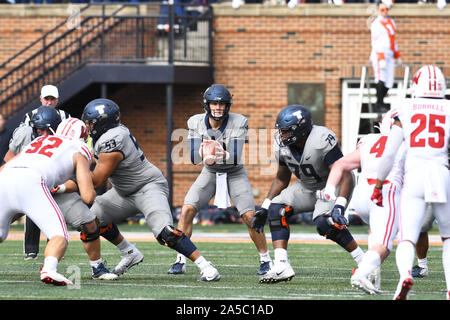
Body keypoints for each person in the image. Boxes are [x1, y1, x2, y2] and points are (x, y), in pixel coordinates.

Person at [81, 98, 221, 281]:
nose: (87, 127)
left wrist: (75, 166)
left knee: (166, 234)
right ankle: (129, 252)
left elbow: (96, 180)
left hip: (148, 187)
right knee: (90, 222)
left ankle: (206, 267)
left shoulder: (113, 139)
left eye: (91, 123)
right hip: (123, 192)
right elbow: (91, 158)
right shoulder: (103, 136)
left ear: (103, 124)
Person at [252, 104, 364, 283]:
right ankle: (281, 265)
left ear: (301, 129)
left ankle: (363, 261)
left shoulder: (321, 139)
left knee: (325, 223)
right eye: (282, 131)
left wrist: (340, 206)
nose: (283, 135)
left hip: (331, 185)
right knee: (276, 209)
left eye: (287, 131)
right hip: (307, 186)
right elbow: (282, 178)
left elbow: (345, 175)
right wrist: (264, 207)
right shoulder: (282, 144)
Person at [168, 84, 272, 276]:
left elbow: (234, 155)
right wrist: (201, 151)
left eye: (222, 104)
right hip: (210, 172)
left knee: (250, 216)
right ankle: (180, 260)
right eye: (214, 103)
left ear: (228, 106)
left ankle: (266, 260)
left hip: (234, 172)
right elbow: (193, 158)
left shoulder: (239, 121)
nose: (218, 107)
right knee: (187, 209)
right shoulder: (195, 121)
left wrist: (220, 152)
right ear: (207, 105)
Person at [5, 107, 117, 280]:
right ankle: (49, 269)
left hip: (9, 180)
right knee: (60, 235)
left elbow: (8, 165)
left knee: (88, 221)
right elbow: (88, 196)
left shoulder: (37, 142)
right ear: (83, 137)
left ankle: (97, 267)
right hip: (36, 185)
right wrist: (86, 183)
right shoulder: (80, 148)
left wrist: (64, 187)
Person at [371, 65, 450, 300]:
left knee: (407, 237)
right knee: (447, 238)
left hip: (414, 174)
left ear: (416, 84)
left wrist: (378, 184)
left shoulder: (405, 107)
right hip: (441, 173)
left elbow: (390, 152)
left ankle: (404, 277)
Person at [322, 109, 406, 294]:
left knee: (376, 230)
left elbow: (340, 164)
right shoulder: (405, 142)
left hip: (361, 196)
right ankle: (362, 272)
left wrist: (329, 190)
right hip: (384, 191)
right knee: (385, 242)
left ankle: (373, 275)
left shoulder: (368, 139)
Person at [8, 84, 71, 260]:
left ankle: (55, 244)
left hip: (53, 168)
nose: (49, 102)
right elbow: (16, 148)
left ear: (57, 100)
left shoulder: (65, 117)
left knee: (54, 207)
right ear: (41, 99)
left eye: (52, 99)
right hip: (32, 169)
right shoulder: (28, 121)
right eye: (46, 99)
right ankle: (31, 249)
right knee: (30, 208)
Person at [370, 1, 401, 112]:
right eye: (382, 10)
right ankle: (378, 103)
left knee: (389, 81)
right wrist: (381, 57)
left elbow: (393, 40)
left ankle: (381, 101)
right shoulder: (376, 23)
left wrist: (397, 55)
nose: (384, 12)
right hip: (379, 55)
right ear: (378, 10)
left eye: (386, 9)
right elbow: (375, 42)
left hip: (389, 54)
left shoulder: (391, 22)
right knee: (381, 78)